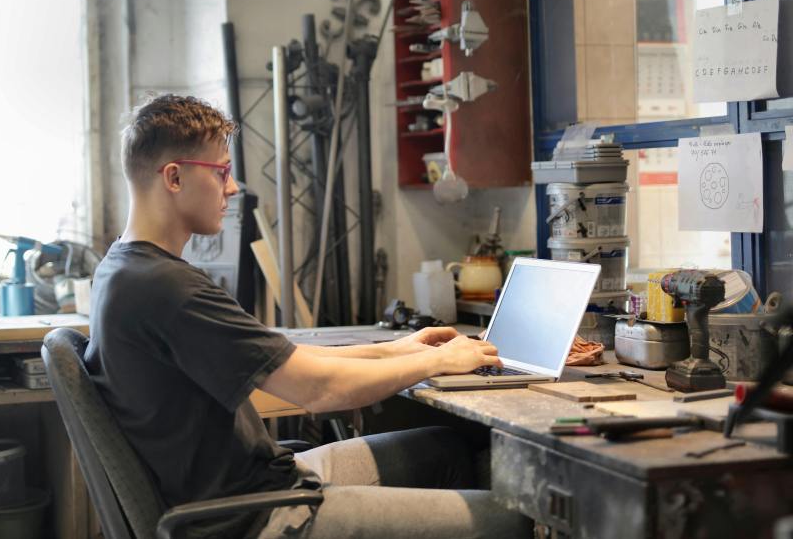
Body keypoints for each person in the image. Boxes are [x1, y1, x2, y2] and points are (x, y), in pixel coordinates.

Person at [85, 94, 529, 538]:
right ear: (175, 177)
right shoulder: (168, 288)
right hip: (256, 517)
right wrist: (437, 362)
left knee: (447, 449)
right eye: (222, 171)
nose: (233, 188)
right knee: (510, 521)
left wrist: (397, 349)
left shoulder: (124, 270)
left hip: (256, 484)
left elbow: (291, 360)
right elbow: (319, 390)